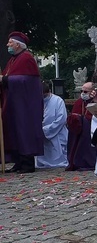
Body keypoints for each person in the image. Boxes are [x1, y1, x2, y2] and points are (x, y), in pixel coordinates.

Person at [0, 32, 44, 173]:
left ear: (18, 44)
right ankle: (18, 162)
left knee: (24, 131)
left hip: (25, 104)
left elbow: (26, 80)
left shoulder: (26, 58)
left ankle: (27, 164)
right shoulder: (13, 60)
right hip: (14, 102)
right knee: (14, 131)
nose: (8, 45)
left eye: (10, 43)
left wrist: (5, 80)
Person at [66, 82, 97, 171]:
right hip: (78, 132)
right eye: (82, 91)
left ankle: (89, 163)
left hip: (90, 130)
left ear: (92, 91)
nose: (83, 93)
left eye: (86, 91)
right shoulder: (79, 102)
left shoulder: (95, 101)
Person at [36, 82, 68, 169]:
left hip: (57, 132)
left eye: (45, 95)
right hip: (41, 132)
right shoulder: (36, 100)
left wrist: (47, 130)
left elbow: (61, 119)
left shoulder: (58, 101)